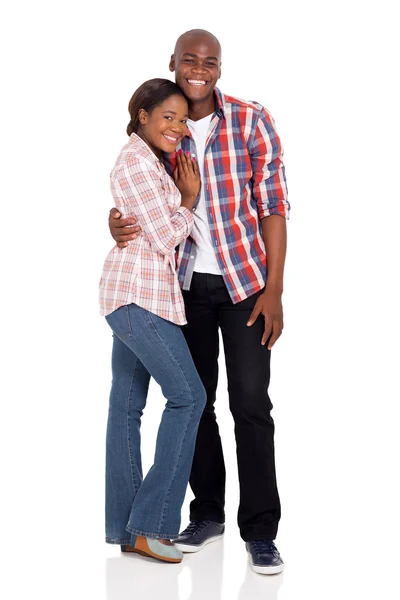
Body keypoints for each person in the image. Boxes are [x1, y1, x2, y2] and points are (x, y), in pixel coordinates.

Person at [109, 30, 290, 575]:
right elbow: (134, 189)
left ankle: (260, 531)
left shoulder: (251, 120)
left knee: (252, 405)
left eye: (209, 62)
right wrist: (113, 221)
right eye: (189, 60)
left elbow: (274, 204)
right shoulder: (164, 126)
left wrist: (275, 289)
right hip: (180, 286)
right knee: (196, 402)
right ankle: (205, 514)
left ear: (220, 68)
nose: (199, 69)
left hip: (245, 285)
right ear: (173, 63)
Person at [100, 78, 206, 564]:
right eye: (168, 116)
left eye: (183, 120)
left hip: (135, 298)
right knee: (189, 396)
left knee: (126, 409)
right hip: (140, 301)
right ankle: (151, 523)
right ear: (141, 115)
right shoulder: (137, 162)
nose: (178, 127)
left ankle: (127, 528)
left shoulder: (148, 162)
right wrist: (189, 199)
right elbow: (165, 237)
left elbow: (146, 228)